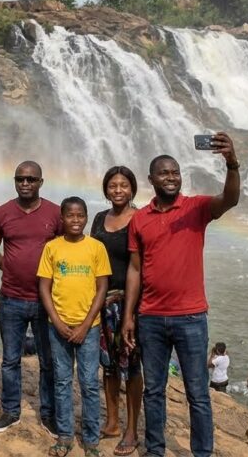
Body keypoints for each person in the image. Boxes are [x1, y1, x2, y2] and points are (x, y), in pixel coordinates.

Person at [121, 132, 240, 457]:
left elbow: (229, 200)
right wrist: (129, 316)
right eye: (164, 173)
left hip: (190, 317)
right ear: (151, 179)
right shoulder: (140, 219)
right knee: (154, 391)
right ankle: (155, 450)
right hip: (151, 318)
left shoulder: (196, 208)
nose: (171, 178)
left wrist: (231, 162)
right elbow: (134, 270)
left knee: (198, 394)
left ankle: (202, 453)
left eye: (175, 173)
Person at [0, 161, 62, 437]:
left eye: (31, 179)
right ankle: (11, 411)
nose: (25, 183)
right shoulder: (3, 213)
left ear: (41, 182)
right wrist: (7, 268)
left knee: (48, 360)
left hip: (47, 300)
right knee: (10, 359)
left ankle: (48, 414)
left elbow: (65, 250)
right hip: (12, 298)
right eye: (20, 179)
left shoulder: (55, 213)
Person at [38, 196, 111, 457]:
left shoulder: (96, 247)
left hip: (89, 327)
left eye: (80, 215)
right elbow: (44, 287)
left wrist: (86, 324)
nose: (76, 220)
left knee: (90, 383)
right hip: (57, 326)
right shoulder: (52, 248)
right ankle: (65, 436)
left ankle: (91, 441)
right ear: (62, 218)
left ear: (87, 217)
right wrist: (56, 321)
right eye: (70, 215)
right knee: (61, 381)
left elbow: (102, 287)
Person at [89, 166, 142, 455]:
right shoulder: (99, 218)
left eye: (123, 185)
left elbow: (139, 265)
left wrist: (131, 312)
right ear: (106, 189)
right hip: (103, 300)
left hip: (131, 302)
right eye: (112, 185)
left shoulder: (140, 217)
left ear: (132, 188)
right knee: (109, 364)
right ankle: (111, 423)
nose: (117, 190)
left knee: (132, 365)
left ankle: (132, 430)